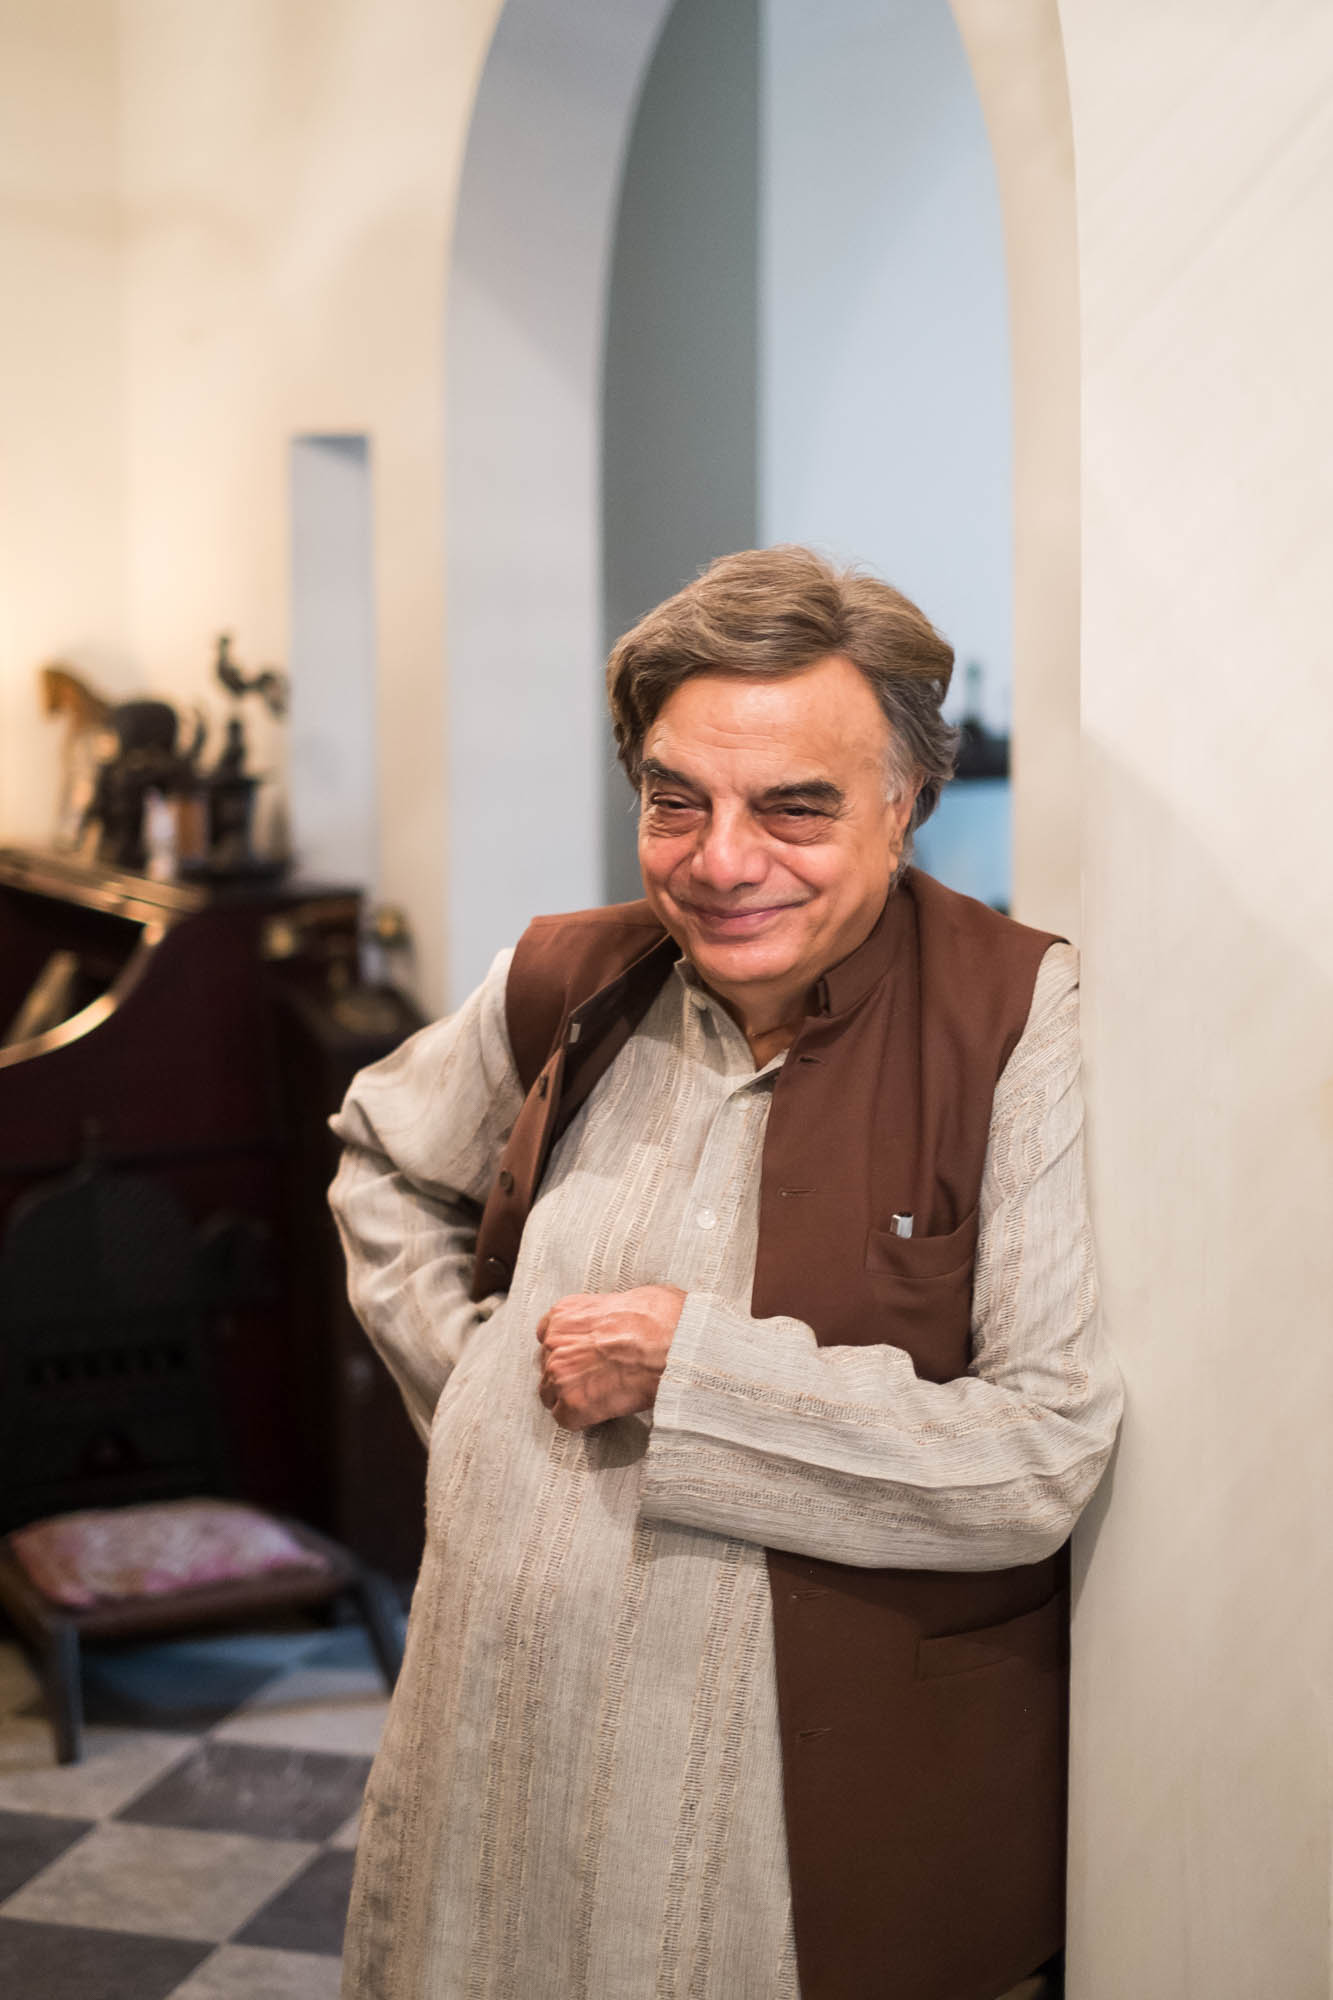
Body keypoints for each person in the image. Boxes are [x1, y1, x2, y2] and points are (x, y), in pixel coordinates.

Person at [329, 545, 1123, 2000]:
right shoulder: (572, 977)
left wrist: (693, 1373)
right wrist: (478, 1388)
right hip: (496, 1766)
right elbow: (384, 1160)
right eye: (674, 800)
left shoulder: (1018, 1019)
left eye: (794, 808)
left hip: (784, 1832)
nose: (721, 859)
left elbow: (1039, 1455)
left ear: (908, 803)